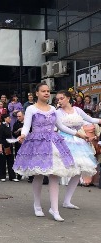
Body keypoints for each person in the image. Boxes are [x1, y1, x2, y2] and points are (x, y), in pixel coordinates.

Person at [13, 83, 87, 222]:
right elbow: (27, 126)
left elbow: (61, 126)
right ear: (37, 93)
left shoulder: (53, 109)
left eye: (48, 91)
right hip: (38, 143)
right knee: (39, 175)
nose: (46, 93)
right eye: (43, 91)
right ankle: (37, 205)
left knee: (55, 175)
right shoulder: (31, 109)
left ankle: (55, 209)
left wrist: (77, 134)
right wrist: (23, 135)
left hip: (53, 143)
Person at [55, 90, 101, 209]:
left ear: (69, 98)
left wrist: (100, 120)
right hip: (63, 140)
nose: (59, 101)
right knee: (58, 169)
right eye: (58, 99)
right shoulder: (57, 112)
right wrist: (77, 134)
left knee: (78, 171)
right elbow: (61, 127)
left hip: (78, 143)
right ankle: (53, 202)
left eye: (61, 98)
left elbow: (91, 120)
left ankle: (67, 201)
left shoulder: (78, 110)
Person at [0, 114, 18, 182]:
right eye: (8, 118)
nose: (10, 119)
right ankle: (2, 176)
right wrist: (0, 147)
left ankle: (12, 176)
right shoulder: (1, 127)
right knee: (3, 161)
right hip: (3, 145)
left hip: (9, 145)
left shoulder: (9, 126)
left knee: (11, 161)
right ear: (5, 119)